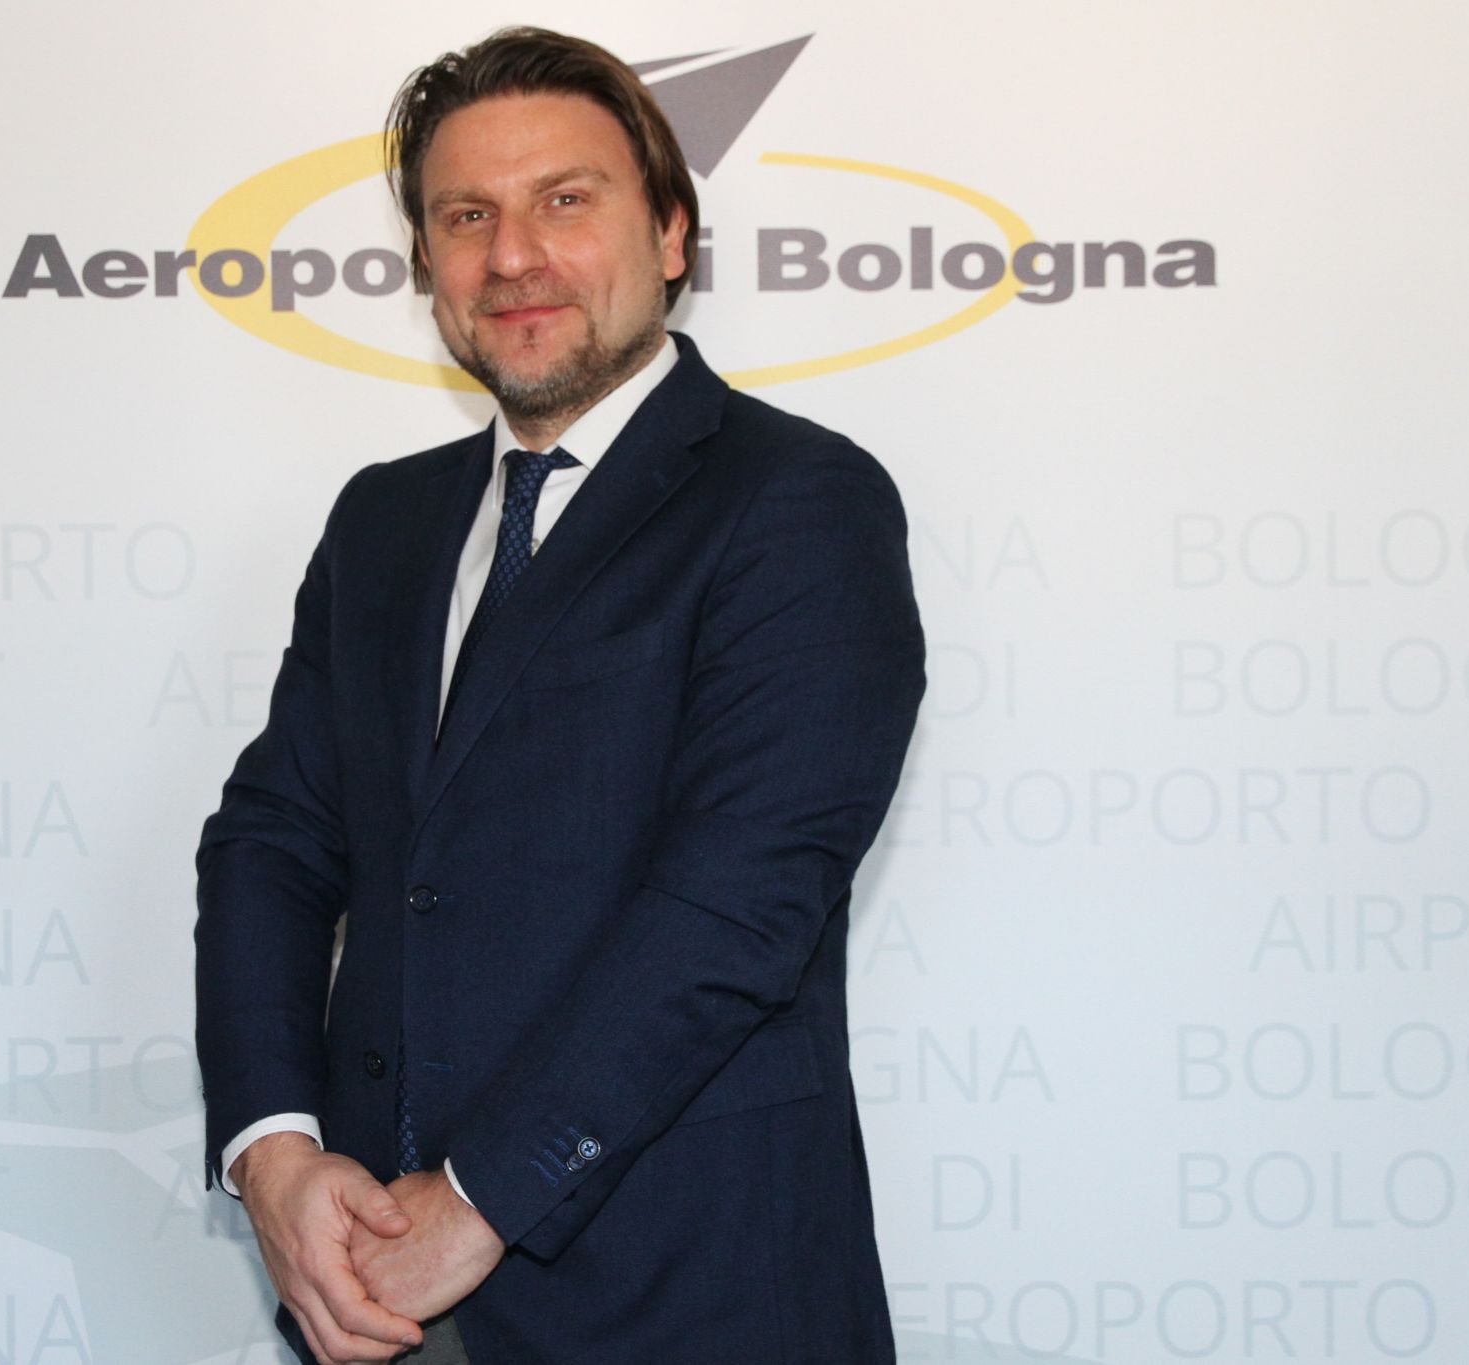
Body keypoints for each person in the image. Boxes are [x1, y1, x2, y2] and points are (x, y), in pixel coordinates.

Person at [194, 27, 925, 1365]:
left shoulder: (798, 503)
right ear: (427, 263)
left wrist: (481, 1198)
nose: (513, 256)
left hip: (689, 1298)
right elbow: (273, 844)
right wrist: (274, 1155)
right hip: (368, 1295)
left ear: (671, 235)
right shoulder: (381, 524)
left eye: (565, 201)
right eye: (466, 216)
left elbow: (738, 903)